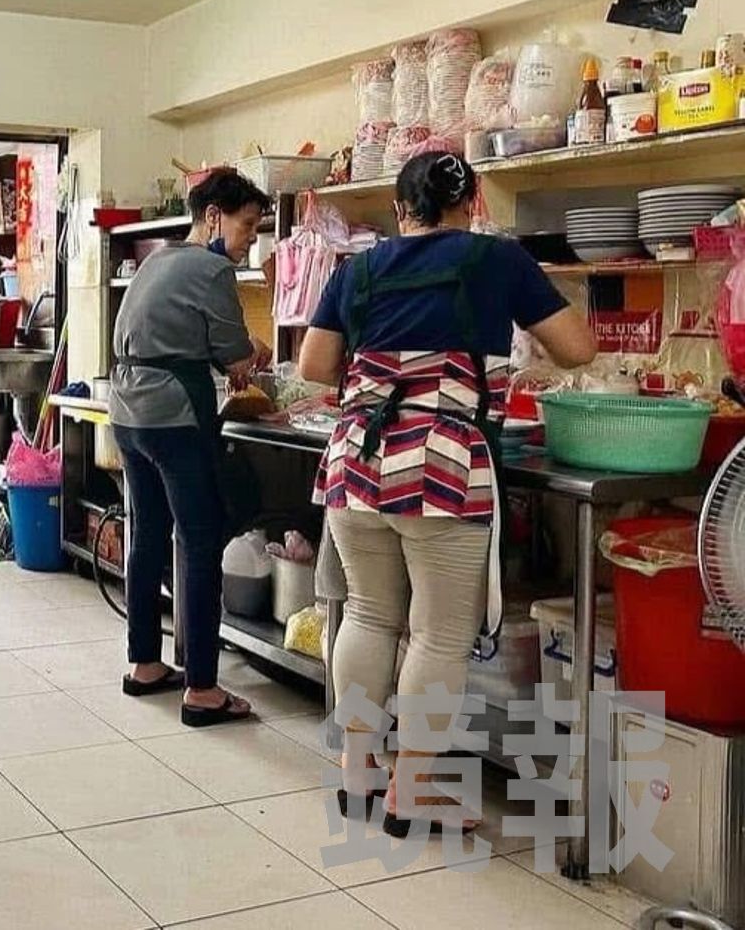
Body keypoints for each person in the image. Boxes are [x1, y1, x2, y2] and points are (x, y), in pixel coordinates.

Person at [298, 152, 596, 831]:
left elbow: (315, 365)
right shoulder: (498, 259)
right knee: (438, 634)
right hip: (441, 462)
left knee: (369, 615)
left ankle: (358, 773)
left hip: (355, 458)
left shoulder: (358, 269)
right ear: (473, 204)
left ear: (400, 209)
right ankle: (412, 791)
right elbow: (577, 349)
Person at [108, 167, 273, 727]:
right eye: (246, 225)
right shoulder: (212, 268)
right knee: (201, 543)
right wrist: (252, 353)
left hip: (128, 413)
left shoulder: (157, 260)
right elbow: (233, 353)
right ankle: (202, 689)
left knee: (149, 534)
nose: (250, 238)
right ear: (213, 217)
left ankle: (144, 664)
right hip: (173, 414)